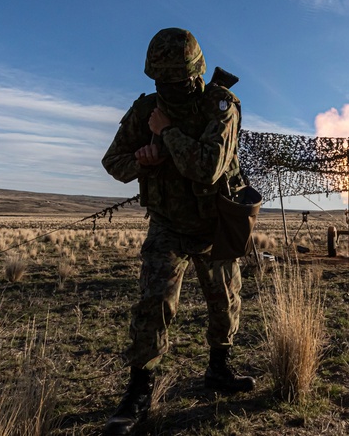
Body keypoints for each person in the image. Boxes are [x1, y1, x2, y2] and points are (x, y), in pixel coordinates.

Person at [102, 27, 255, 436]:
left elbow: (207, 168)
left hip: (214, 223)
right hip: (168, 224)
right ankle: (139, 390)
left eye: (178, 79)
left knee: (225, 302)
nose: (170, 87)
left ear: (196, 72)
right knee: (154, 305)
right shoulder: (145, 110)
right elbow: (113, 162)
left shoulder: (220, 105)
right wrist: (143, 161)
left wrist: (166, 132)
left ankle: (219, 369)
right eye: (162, 80)